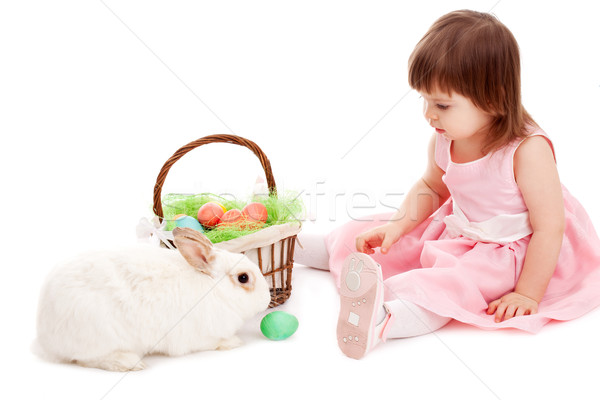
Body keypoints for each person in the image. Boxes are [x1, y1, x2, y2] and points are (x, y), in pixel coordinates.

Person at [294, 9, 600, 360]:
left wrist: (527, 293)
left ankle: (382, 319)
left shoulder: (526, 151)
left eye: (441, 104)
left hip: (509, 250)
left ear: (494, 98)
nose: (429, 114)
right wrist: (398, 225)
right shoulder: (445, 136)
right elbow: (431, 185)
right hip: (457, 228)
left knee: (450, 284)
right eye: (424, 100)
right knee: (370, 233)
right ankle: (301, 248)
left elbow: (550, 227)